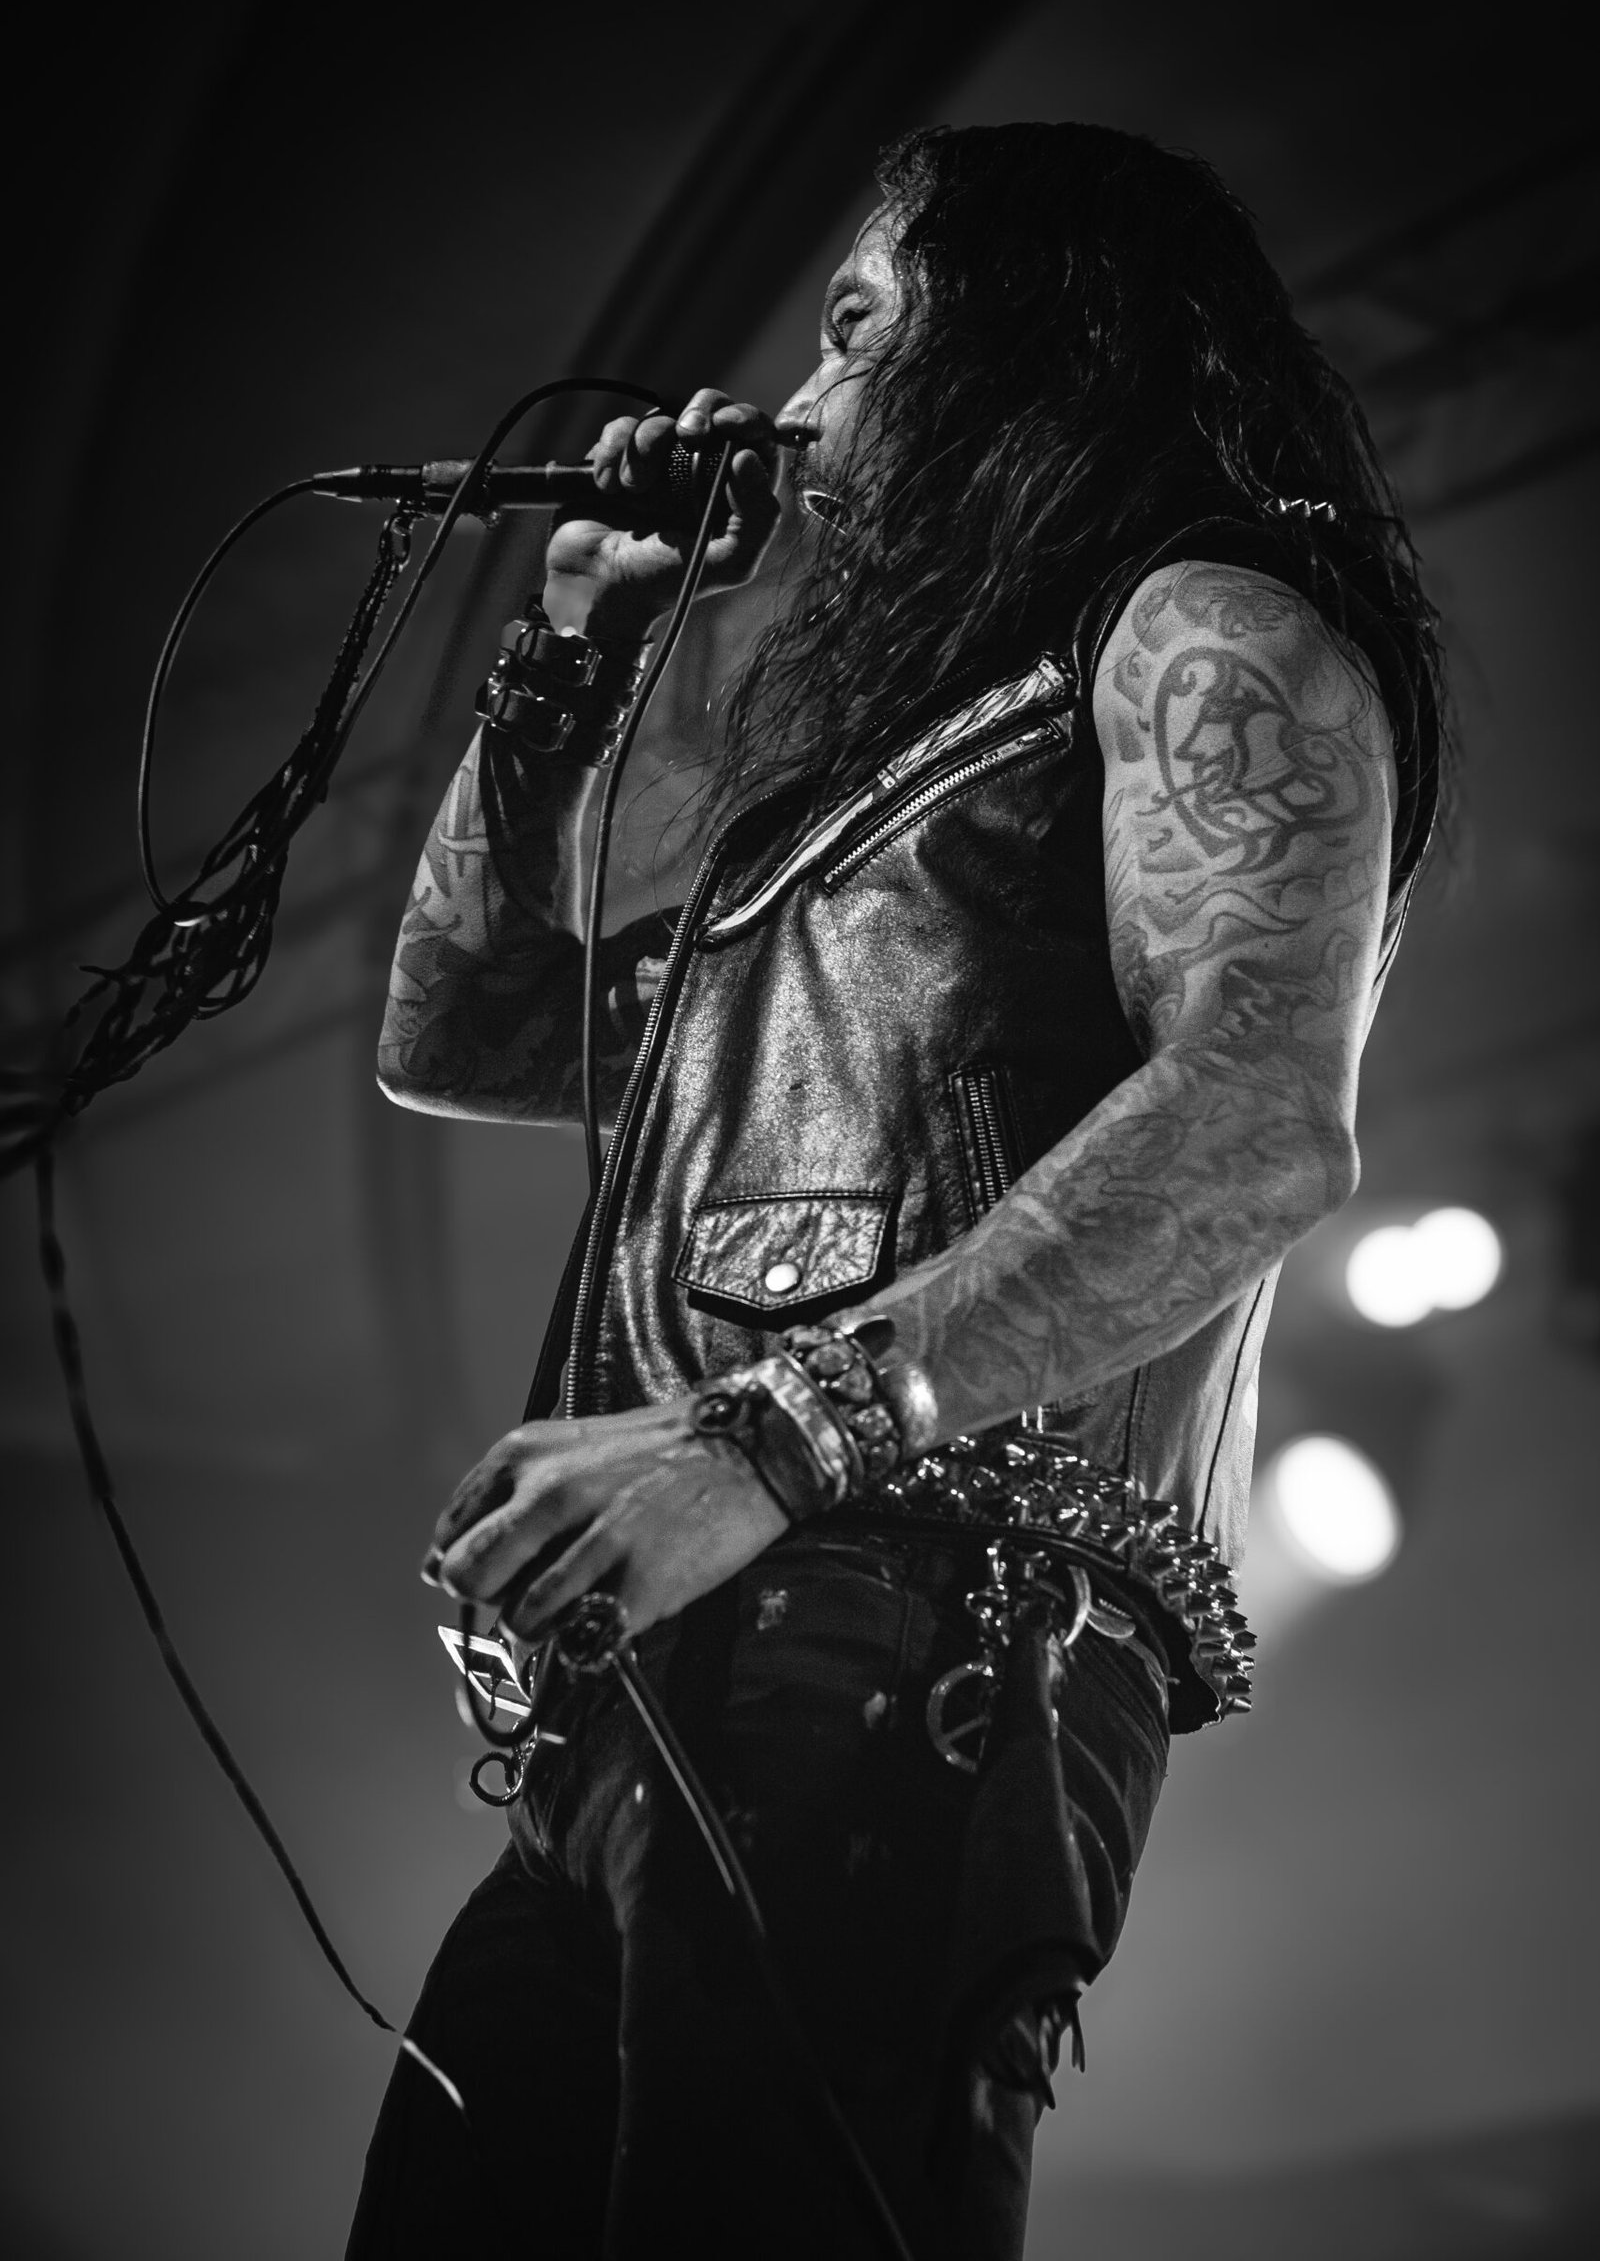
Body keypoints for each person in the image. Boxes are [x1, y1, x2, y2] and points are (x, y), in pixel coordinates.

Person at [347, 122, 1443, 2260]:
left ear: (1025, 338)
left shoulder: (1206, 627)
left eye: (856, 329)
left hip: (908, 1639)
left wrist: (762, 1438)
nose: (800, 399)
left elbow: (1256, 1118)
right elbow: (456, 1030)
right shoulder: (880, 793)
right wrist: (576, 657)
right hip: (645, 1687)